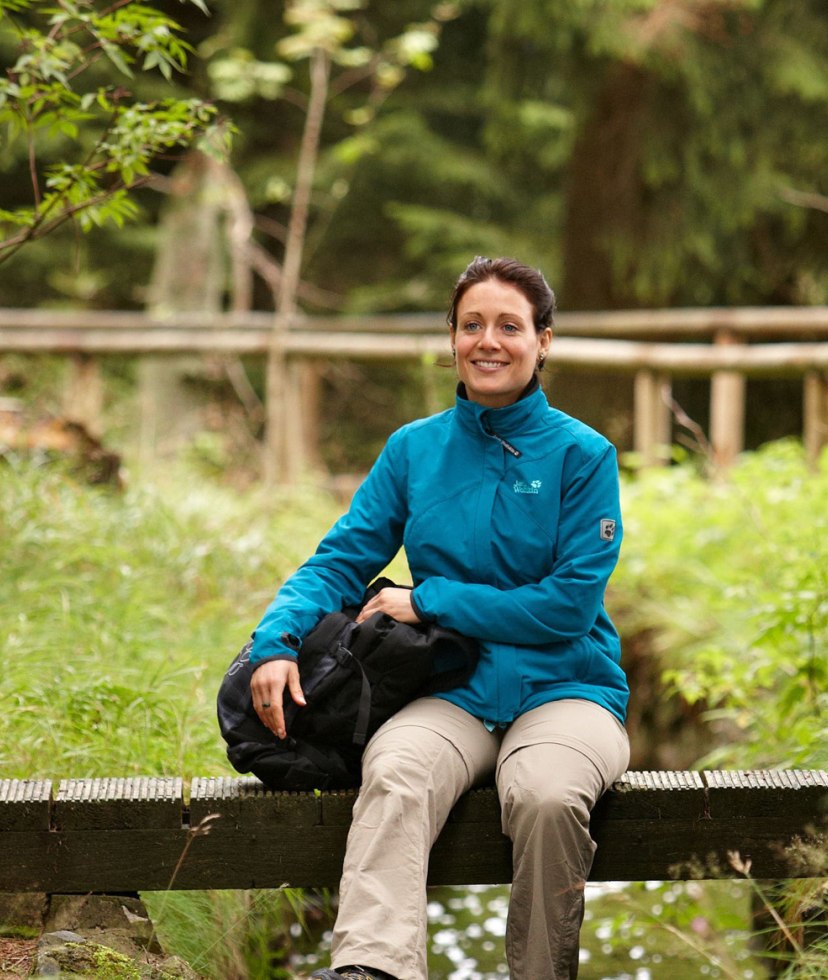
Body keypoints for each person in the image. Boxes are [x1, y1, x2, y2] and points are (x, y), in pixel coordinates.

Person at [245, 257, 632, 980]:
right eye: (471, 325)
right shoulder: (413, 449)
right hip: (451, 688)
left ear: (543, 341)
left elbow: (568, 604)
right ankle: (372, 970)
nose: (489, 341)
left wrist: (429, 600)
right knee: (392, 771)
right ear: (452, 338)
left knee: (546, 796)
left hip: (567, 689)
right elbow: (338, 561)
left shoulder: (584, 456)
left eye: (509, 326)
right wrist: (276, 641)